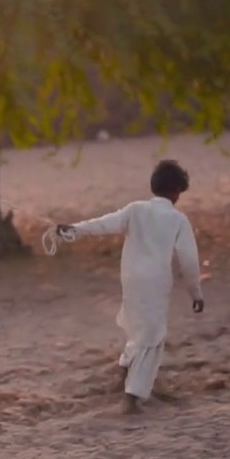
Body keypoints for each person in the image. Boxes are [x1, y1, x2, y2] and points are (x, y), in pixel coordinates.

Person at [57, 160, 205, 414]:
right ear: (176, 191)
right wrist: (196, 293)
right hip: (155, 283)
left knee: (137, 326)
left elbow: (103, 224)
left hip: (131, 280)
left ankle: (125, 369)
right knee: (153, 336)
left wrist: (73, 230)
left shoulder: (135, 210)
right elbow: (189, 261)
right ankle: (133, 397)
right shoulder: (178, 219)